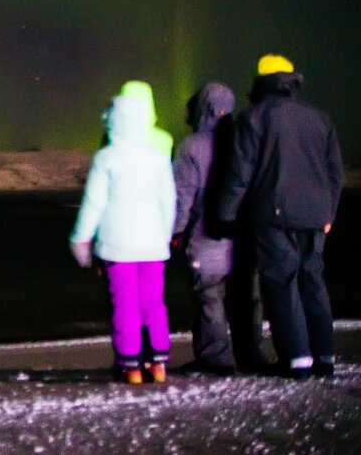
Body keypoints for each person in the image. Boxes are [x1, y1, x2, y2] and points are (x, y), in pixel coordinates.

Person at [219, 54, 344, 379]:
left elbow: (240, 173)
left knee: (282, 283)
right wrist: (328, 212)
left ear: (260, 82)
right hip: (316, 216)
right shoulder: (319, 118)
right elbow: (335, 171)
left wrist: (226, 214)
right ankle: (325, 357)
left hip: (274, 213)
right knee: (313, 280)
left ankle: (297, 359)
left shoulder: (253, 118)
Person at [71, 83, 178, 383]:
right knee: (153, 303)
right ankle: (158, 363)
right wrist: (165, 235)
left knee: (125, 305)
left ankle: (130, 365)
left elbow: (94, 203)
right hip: (153, 246)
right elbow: (167, 201)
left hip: (117, 246)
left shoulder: (106, 158)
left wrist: (81, 240)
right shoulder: (157, 157)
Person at [171, 82, 265, 374]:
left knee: (209, 298)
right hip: (244, 239)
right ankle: (250, 355)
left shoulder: (192, 147)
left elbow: (182, 196)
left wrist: (174, 231)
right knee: (246, 300)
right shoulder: (246, 138)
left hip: (206, 238)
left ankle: (215, 358)